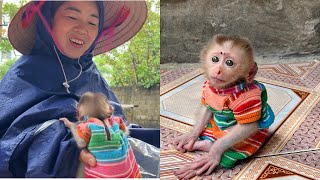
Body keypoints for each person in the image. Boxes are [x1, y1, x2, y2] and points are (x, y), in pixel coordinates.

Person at [0, 1, 155, 177]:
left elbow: (118, 125)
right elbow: (10, 141)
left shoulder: (91, 73)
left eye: (92, 22)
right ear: (49, 20)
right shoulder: (24, 74)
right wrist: (69, 151)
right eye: (72, 17)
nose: (83, 29)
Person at [172, 34, 274, 179]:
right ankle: (209, 142)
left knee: (236, 148)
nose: (218, 69)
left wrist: (216, 151)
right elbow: (207, 107)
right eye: (215, 59)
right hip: (226, 121)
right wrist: (193, 134)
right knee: (210, 126)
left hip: (248, 128)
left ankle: (212, 145)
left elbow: (249, 126)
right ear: (204, 58)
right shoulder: (209, 86)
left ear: (248, 71)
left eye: (230, 63)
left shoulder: (246, 96)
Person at [60, 92, 141, 178]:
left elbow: (82, 143)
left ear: (81, 113)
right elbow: (125, 131)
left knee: (85, 162)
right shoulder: (116, 121)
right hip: (126, 172)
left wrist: (72, 126)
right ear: (109, 109)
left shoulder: (88, 126)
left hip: (103, 175)